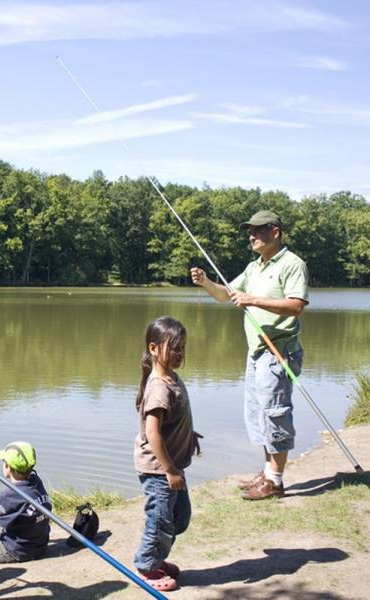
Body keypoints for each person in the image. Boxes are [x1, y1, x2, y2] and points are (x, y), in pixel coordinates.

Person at [191, 210, 308, 501]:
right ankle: (267, 471)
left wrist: (252, 299)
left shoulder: (293, 264)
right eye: (250, 231)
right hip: (256, 353)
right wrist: (206, 282)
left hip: (278, 350)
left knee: (276, 414)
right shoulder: (254, 267)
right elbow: (225, 294)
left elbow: (295, 306)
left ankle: (276, 481)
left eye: (258, 230)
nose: (251, 236)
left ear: (275, 232)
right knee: (259, 414)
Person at [133, 316, 200, 593]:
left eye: (182, 347)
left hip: (173, 467)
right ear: (153, 348)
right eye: (173, 348)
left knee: (179, 518)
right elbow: (153, 434)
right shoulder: (159, 386)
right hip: (159, 470)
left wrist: (189, 435)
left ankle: (157, 558)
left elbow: (175, 419)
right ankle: (147, 567)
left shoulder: (171, 378)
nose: (179, 353)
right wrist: (170, 471)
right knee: (160, 521)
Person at [0, 441, 51, 562]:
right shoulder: (36, 481)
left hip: (19, 550)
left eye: (3, 462)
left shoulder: (9, 496)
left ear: (8, 467)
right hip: (41, 544)